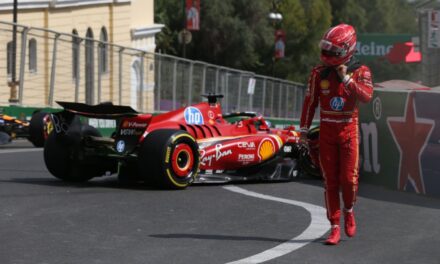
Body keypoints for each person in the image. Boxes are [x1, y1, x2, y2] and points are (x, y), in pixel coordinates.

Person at [299, 24, 373, 245]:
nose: (327, 55)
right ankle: (334, 226)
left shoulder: (361, 71)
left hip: (349, 130)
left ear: (347, 50)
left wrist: (346, 79)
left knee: (348, 180)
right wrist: (303, 131)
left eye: (333, 51)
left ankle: (349, 210)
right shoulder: (317, 73)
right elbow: (310, 102)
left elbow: (367, 96)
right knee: (330, 181)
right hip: (326, 132)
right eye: (326, 50)